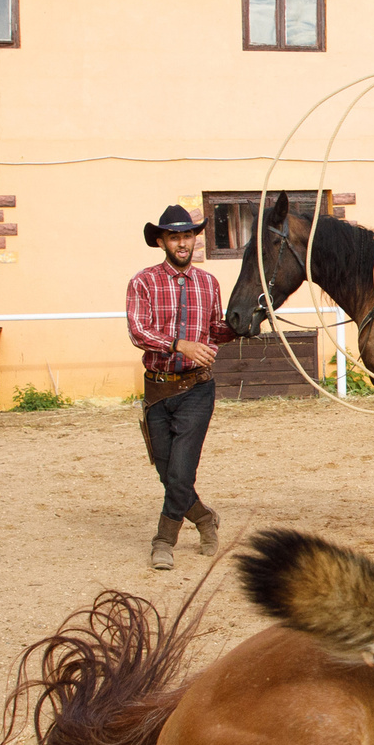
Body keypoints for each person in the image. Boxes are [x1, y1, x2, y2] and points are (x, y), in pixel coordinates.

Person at [126, 205, 233, 569]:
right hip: (157, 389)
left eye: (188, 235)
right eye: (174, 236)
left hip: (197, 390)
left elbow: (215, 330)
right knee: (166, 471)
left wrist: (241, 324)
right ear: (161, 241)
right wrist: (179, 344)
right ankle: (204, 517)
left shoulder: (210, 283)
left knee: (181, 470)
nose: (182, 242)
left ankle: (163, 541)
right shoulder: (142, 282)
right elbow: (138, 332)